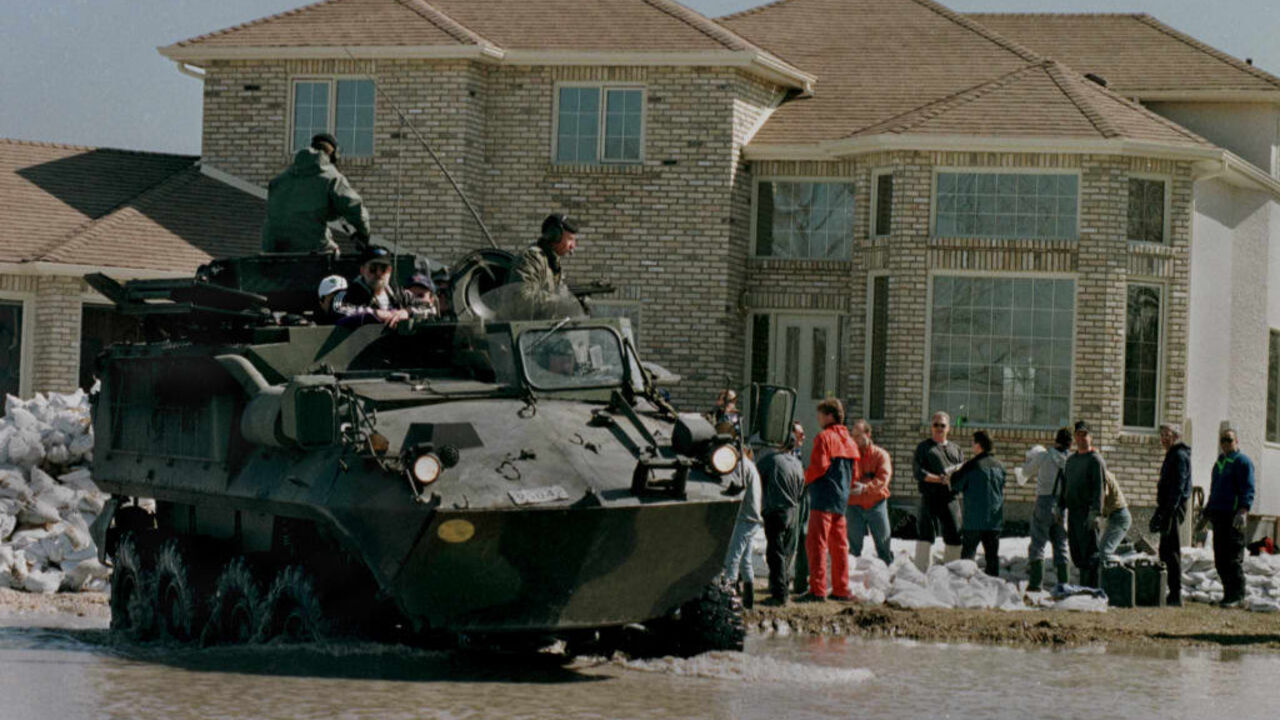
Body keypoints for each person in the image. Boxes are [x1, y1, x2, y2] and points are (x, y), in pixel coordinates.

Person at [262, 133, 370, 253]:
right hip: (313, 251)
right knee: (334, 253)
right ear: (333, 155)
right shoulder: (332, 178)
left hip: (274, 252)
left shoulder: (279, 180)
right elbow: (354, 208)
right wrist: (364, 233)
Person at [799, 398, 859, 602]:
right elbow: (855, 475)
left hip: (822, 499)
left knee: (816, 544)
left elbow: (819, 467)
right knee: (839, 546)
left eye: (820, 415)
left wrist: (803, 480)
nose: (818, 419)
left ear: (829, 416)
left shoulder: (824, 437)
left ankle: (817, 590)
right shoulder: (850, 441)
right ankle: (841, 589)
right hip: (840, 501)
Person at [1204, 427, 1255, 608]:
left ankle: (1238, 596)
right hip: (1218, 516)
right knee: (1221, 558)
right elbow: (1214, 490)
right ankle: (1228, 595)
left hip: (1233, 516)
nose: (1226, 443)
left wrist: (1243, 510)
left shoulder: (1242, 462)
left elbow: (1248, 489)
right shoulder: (1220, 463)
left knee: (1233, 558)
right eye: (1223, 440)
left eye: (1229, 439)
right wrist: (1206, 513)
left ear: (1236, 441)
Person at [912, 411, 964, 571]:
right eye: (936, 425)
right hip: (930, 497)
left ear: (948, 428)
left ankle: (952, 573)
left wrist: (955, 479)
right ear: (931, 427)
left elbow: (962, 472)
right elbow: (918, 472)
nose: (939, 428)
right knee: (925, 534)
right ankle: (921, 572)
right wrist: (940, 479)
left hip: (950, 498)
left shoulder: (956, 449)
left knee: (955, 533)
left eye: (943, 425)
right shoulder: (924, 448)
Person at [758, 433, 806, 606]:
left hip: (775, 510)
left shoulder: (770, 460)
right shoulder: (797, 464)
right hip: (793, 510)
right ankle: (783, 588)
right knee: (786, 553)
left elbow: (755, 479)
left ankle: (779, 595)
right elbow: (801, 489)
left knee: (775, 554)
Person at [1023, 428, 1072, 591]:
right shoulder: (1070, 460)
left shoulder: (1044, 456)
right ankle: (1064, 584)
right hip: (1062, 505)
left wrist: (1028, 459)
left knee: (1038, 542)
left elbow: (1026, 472)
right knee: (1061, 543)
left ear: (1055, 440)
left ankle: (1036, 584)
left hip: (1044, 501)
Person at [1059, 420, 1106, 587]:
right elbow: (1065, 486)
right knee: (1077, 552)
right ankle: (1083, 587)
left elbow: (1099, 490)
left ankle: (1092, 590)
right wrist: (1060, 507)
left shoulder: (1095, 460)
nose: (1081, 438)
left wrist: (1095, 513)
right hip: (1073, 513)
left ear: (1091, 437)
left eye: (1084, 435)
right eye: (1078, 435)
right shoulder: (1071, 461)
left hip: (1087, 513)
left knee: (1090, 554)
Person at [334, 246, 429, 328]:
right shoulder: (349, 294)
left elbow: (430, 308)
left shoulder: (400, 294)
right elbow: (338, 312)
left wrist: (407, 312)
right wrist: (375, 314)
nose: (378, 273)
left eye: (383, 269)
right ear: (362, 270)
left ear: (390, 271)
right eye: (373, 269)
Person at [952, 430, 1005, 577]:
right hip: (994, 521)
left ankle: (965, 588)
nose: (972, 445)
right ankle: (994, 590)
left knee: (967, 560)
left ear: (979, 445)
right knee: (992, 559)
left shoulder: (971, 465)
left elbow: (956, 484)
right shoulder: (1000, 466)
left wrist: (951, 476)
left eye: (973, 442)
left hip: (974, 521)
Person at [1151, 422, 1192, 605]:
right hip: (1168, 507)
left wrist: (1169, 511)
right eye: (1161, 435)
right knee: (1164, 551)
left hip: (1174, 509)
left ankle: (1176, 593)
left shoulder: (1180, 455)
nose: (1163, 439)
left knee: (1172, 550)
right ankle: (1167, 590)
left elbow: (1179, 485)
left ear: (1176, 436)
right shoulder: (1171, 455)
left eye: (1166, 435)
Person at [511, 213, 577, 319]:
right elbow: (523, 298)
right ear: (554, 235)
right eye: (570, 239)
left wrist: (575, 301)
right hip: (526, 332)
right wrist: (561, 302)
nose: (573, 246)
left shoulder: (552, 261)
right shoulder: (532, 258)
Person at [846, 419, 893, 566]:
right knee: (853, 547)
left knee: (883, 544)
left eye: (859, 436)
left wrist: (866, 488)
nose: (855, 440)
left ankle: (888, 573)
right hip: (854, 506)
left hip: (876, 504)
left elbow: (883, 478)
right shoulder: (849, 456)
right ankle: (852, 581)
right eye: (853, 436)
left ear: (868, 434)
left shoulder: (880, 455)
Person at [722, 450, 763, 609]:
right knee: (746, 561)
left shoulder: (740, 466)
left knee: (732, 558)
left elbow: (734, 489)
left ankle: (728, 597)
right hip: (753, 518)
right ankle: (749, 600)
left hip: (744, 518)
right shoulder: (751, 466)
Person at [789, 421, 810, 596]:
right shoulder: (786, 456)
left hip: (803, 500)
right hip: (790, 503)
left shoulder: (799, 454)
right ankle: (781, 580)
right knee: (789, 541)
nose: (803, 436)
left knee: (804, 537)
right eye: (799, 433)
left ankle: (801, 582)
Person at [1098, 470, 1131, 562]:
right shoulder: (1102, 473)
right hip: (1114, 516)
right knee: (1104, 549)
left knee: (1105, 553)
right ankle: (1131, 549)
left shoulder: (1101, 476)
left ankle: (1133, 559)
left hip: (1119, 517)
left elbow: (1101, 496)